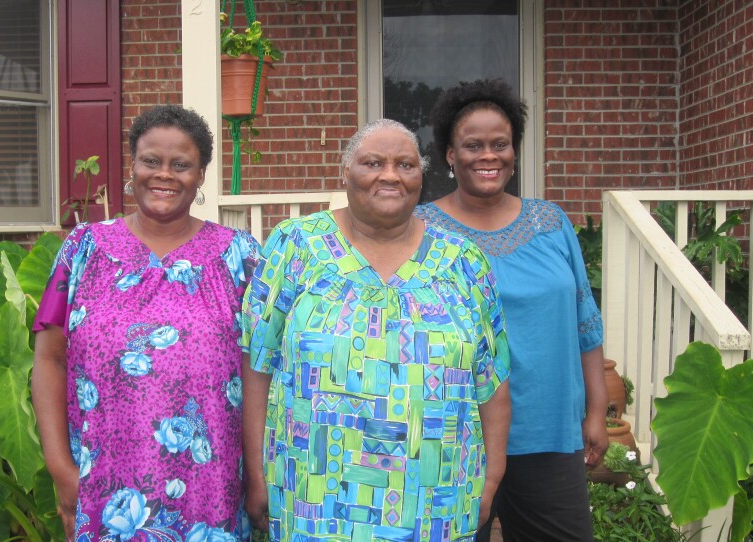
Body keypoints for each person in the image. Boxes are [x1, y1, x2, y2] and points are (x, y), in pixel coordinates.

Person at [241, 119, 511, 541]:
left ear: (421, 176)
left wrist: (492, 476)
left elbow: (492, 379)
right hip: (315, 494)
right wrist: (256, 473)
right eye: (373, 162)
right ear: (345, 172)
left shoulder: (464, 261)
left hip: (434, 496)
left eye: (405, 164)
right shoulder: (295, 246)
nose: (390, 175)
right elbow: (257, 364)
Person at [32, 104, 259, 542]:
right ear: (132, 165)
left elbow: (259, 373)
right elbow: (49, 360)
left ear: (202, 174)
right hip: (105, 496)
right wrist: (62, 469)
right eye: (151, 160)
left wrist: (257, 477)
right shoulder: (83, 250)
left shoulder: (241, 258)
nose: (164, 175)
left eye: (182, 165)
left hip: (210, 497)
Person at [415, 79, 608, 542]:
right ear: (449, 154)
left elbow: (585, 323)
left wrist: (597, 409)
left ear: (515, 151)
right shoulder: (421, 230)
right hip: (453, 434)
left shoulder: (552, 223)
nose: (488, 155)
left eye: (500, 144)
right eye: (473, 145)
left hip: (547, 429)